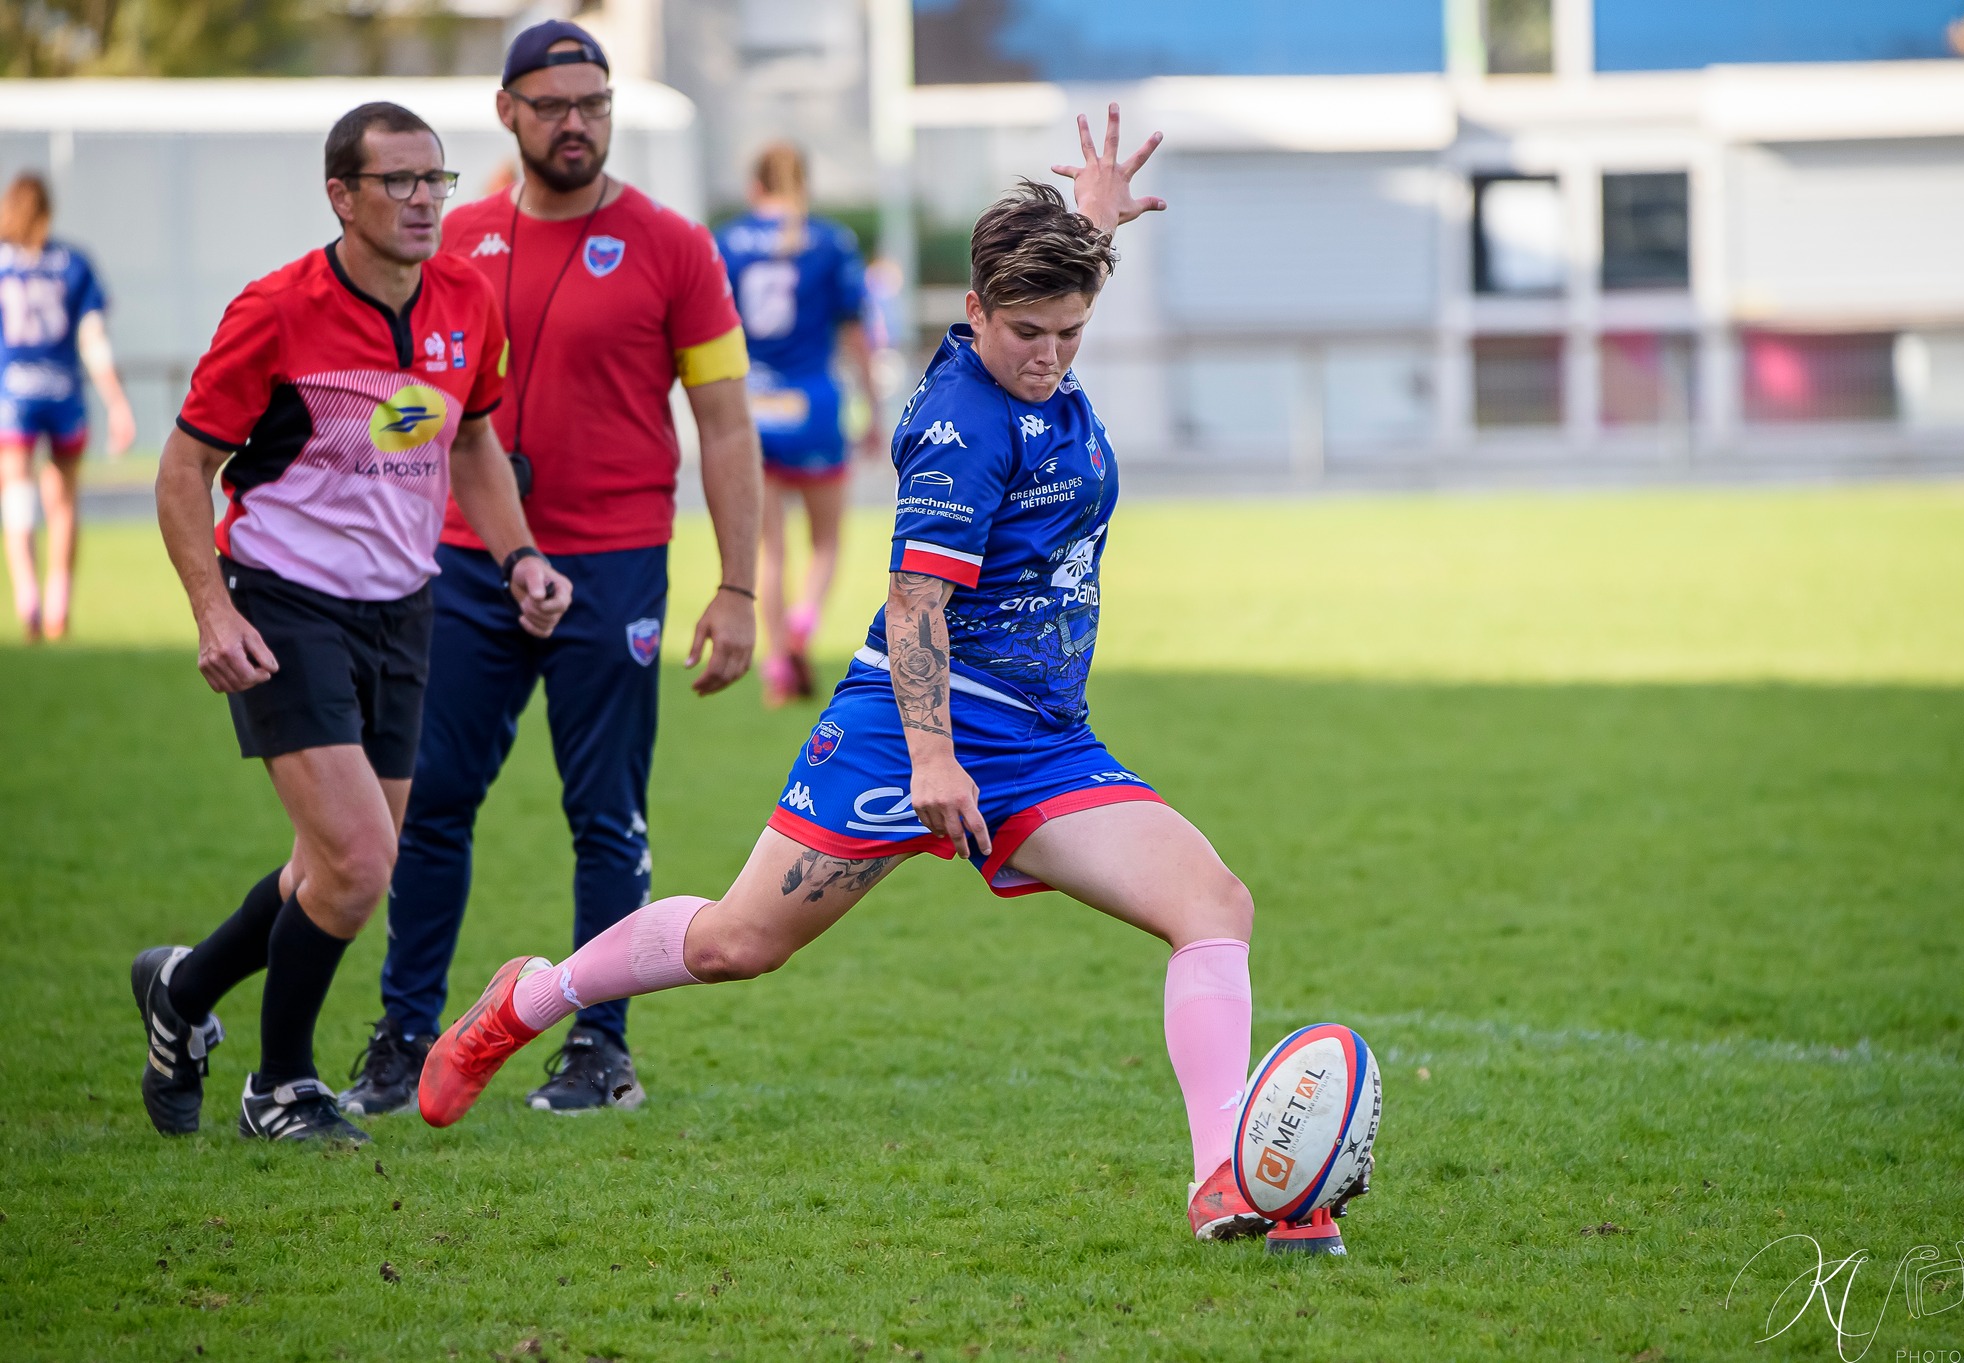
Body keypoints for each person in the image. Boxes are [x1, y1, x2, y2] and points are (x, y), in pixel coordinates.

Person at [421, 109, 1340, 1242]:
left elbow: (1056, 275)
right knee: (734, 945)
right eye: (1024, 331)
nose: (1048, 355)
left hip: (1042, 742)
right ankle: (524, 1000)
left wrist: (1091, 219)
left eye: (1070, 329)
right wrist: (932, 758)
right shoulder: (962, 426)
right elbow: (915, 605)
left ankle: (1224, 1183)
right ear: (970, 312)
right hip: (905, 729)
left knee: (1213, 905)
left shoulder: (1041, 331)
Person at [337, 21, 761, 1120]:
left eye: (594, 102)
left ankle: (598, 1046)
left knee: (605, 816)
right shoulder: (454, 238)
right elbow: (412, 408)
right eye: (554, 104)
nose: (577, 123)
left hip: (616, 563)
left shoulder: (675, 246)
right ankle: (401, 1035)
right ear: (507, 112)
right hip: (470, 566)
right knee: (427, 806)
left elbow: (722, 425)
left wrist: (739, 584)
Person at [131, 102, 572, 1143]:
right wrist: (209, 608)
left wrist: (520, 557)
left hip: (402, 606)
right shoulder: (274, 309)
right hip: (284, 600)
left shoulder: (467, 299)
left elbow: (472, 443)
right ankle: (280, 1085)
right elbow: (184, 468)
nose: (425, 201)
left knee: (323, 867)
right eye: (399, 182)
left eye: (437, 180)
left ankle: (184, 991)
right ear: (341, 195)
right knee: (363, 861)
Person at [716, 143, 881, 705]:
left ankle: (776, 665)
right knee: (827, 540)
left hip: (752, 407)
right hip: (814, 405)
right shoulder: (831, 241)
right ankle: (803, 624)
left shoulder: (729, 241)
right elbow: (858, 333)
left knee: (770, 548)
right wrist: (875, 409)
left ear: (754, 185)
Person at [0, 173, 136, 642]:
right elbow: (93, 339)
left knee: (16, 498)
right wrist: (117, 403)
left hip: (12, 394)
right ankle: (58, 602)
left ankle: (27, 600)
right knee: (62, 504)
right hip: (62, 394)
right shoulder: (73, 263)